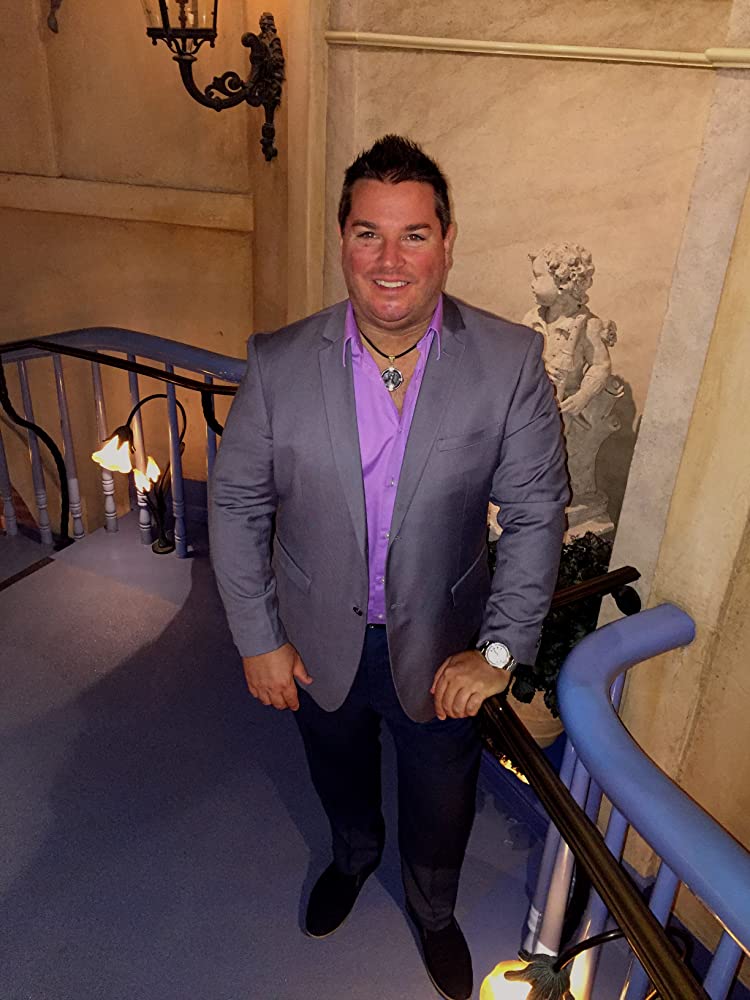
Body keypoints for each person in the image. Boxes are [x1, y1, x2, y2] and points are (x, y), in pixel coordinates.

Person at [209, 135, 569, 1000]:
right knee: (336, 770)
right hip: (311, 640)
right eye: (368, 233)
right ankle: (353, 854)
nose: (390, 259)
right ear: (343, 240)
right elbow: (237, 503)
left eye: (414, 234)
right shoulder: (277, 361)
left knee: (442, 799)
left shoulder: (510, 362)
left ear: (447, 242)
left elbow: (535, 513)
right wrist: (257, 637)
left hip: (444, 646)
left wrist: (498, 652)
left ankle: (433, 909)